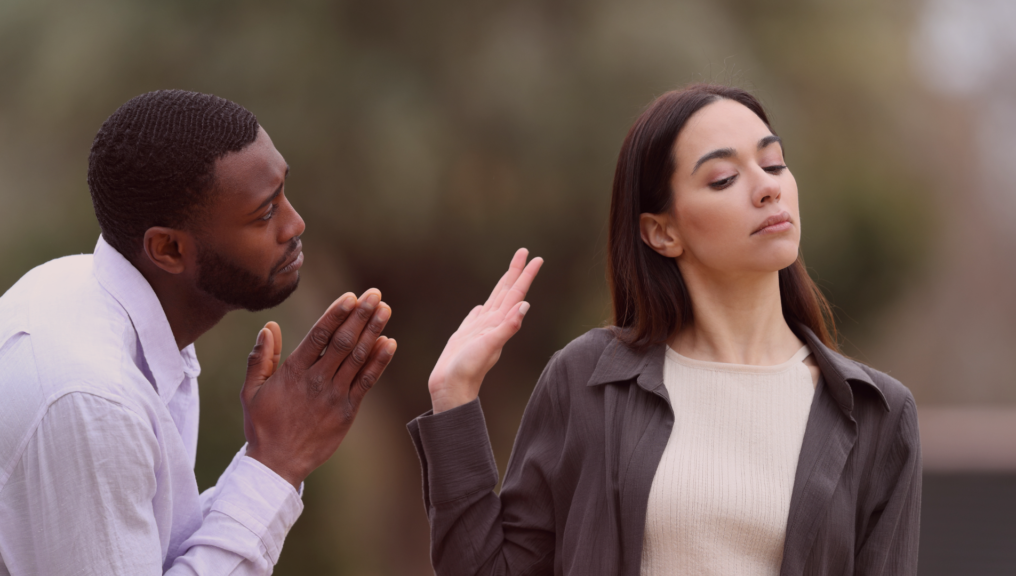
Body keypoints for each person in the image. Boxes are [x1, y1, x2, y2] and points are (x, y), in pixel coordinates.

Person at [409, 83, 922, 576]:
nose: (768, 188)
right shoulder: (589, 382)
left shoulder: (877, 412)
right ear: (662, 232)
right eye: (724, 179)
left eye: (773, 164)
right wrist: (454, 396)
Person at [0, 90, 397, 575]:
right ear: (167, 249)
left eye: (283, 194)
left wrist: (267, 456)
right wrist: (276, 464)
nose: (295, 223)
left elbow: (156, 552)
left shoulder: (86, 291)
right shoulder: (91, 398)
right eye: (265, 213)